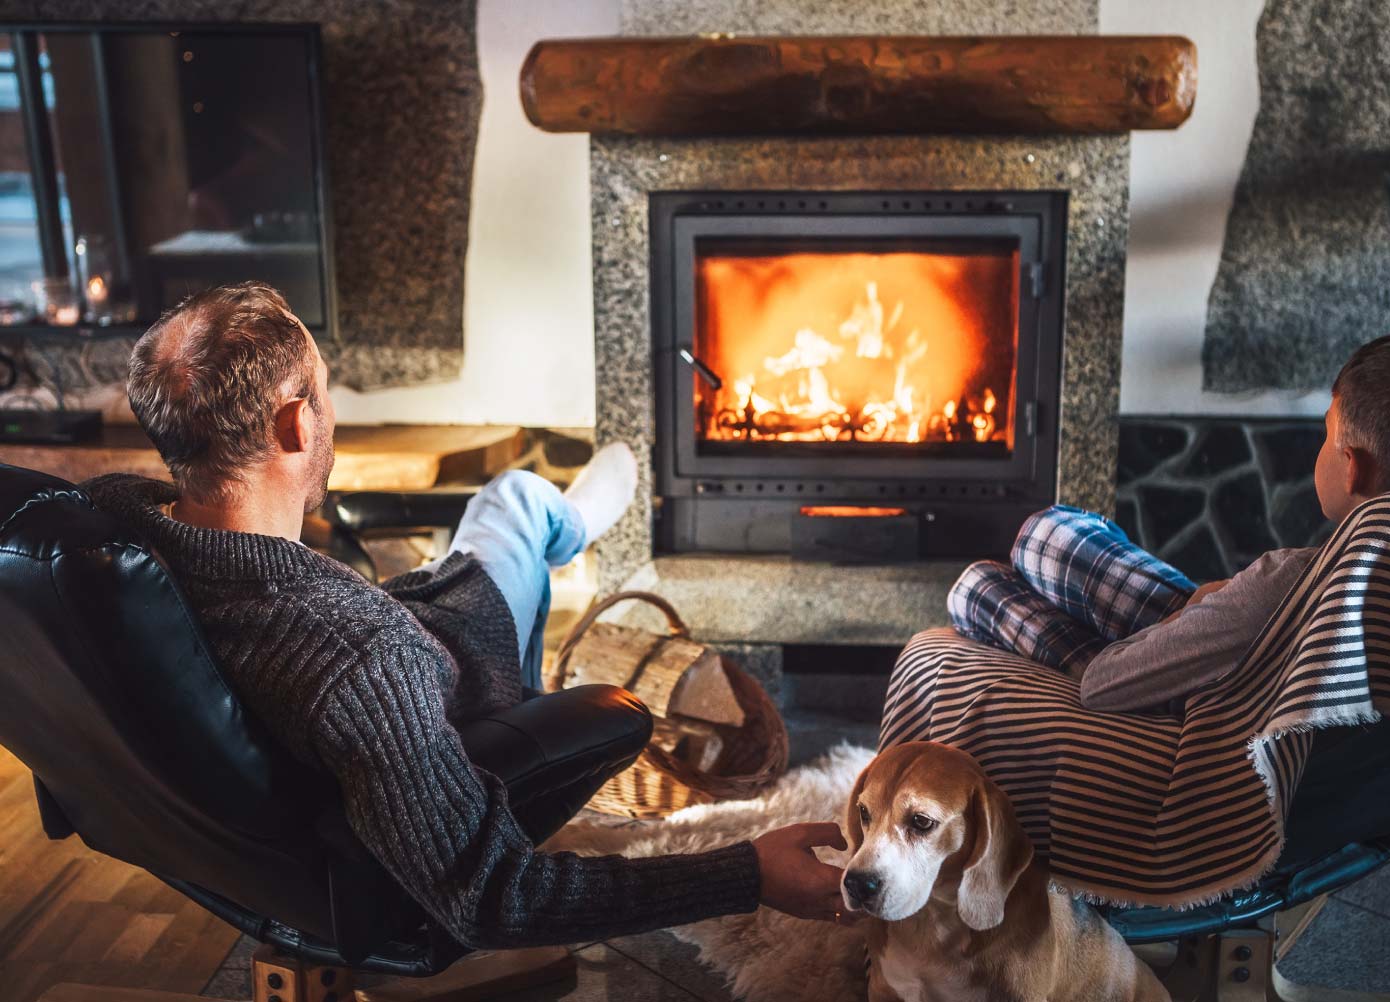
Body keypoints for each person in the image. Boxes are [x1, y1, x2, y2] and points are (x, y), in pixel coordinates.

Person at [84, 282, 849, 950]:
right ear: (294, 427)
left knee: (502, 511)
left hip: (387, 629)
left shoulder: (108, 525)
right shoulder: (358, 662)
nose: (332, 414)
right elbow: (493, 899)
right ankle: (565, 527)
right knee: (510, 506)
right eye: (325, 391)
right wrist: (747, 872)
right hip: (459, 680)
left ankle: (561, 524)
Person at [949, 332, 1390, 715]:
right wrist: (1213, 604)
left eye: (1325, 434)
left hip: (1185, 690)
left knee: (982, 581)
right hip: (1238, 643)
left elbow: (1103, 685)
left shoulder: (1287, 586)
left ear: (1353, 468)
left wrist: (1205, 617)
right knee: (1045, 535)